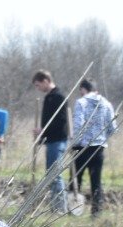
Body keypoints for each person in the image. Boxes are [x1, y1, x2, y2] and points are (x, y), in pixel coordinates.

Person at [71, 78, 117, 217]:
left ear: (83, 89)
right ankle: (96, 212)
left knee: (75, 179)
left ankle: (74, 211)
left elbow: (78, 126)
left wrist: (74, 143)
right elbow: (113, 128)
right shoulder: (107, 104)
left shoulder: (81, 102)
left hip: (82, 148)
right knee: (96, 181)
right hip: (99, 149)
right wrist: (102, 137)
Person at [31, 70, 70, 213]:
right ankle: (55, 206)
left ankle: (60, 208)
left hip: (58, 140)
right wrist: (41, 135)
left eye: (38, 85)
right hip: (50, 140)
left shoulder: (58, 97)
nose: (38, 88)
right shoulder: (49, 98)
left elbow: (60, 121)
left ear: (46, 81)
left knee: (54, 173)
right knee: (50, 173)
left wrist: (43, 131)